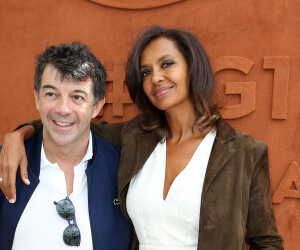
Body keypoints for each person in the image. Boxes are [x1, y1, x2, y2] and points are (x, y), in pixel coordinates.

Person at [0, 26, 283, 249]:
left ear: (192, 67)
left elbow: (266, 241)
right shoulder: (137, 137)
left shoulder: (246, 152)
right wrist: (18, 136)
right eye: (146, 72)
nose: (155, 77)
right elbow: (71, 122)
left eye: (167, 64)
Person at [0, 42, 132, 249]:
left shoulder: (123, 171)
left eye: (77, 97)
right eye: (51, 94)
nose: (63, 109)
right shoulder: (5, 164)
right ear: (37, 98)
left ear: (97, 106)